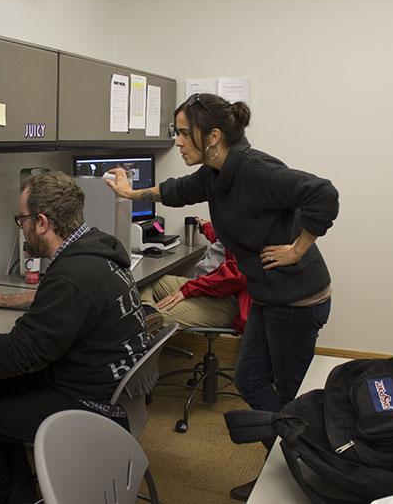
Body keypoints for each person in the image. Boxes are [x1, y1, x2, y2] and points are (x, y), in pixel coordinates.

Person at [106, 93, 339, 501]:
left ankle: (307, 472)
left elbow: (322, 194)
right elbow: (177, 190)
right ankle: (293, 462)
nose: (177, 142)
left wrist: (297, 248)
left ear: (212, 135)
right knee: (250, 380)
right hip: (269, 297)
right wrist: (132, 194)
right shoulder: (216, 172)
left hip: (297, 300)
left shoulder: (255, 170)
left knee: (286, 393)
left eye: (182, 134)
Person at [0, 171, 150, 504]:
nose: (22, 226)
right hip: (115, 390)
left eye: (22, 219)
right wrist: (3, 300)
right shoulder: (95, 249)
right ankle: (21, 494)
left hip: (92, 405)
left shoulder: (72, 275)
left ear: (41, 222)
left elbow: (18, 355)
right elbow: (67, 301)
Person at [140, 218, 251, 333]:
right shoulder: (235, 218)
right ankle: (149, 311)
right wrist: (207, 228)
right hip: (207, 287)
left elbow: (236, 275)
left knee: (153, 323)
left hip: (229, 299)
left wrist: (188, 290)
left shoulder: (253, 221)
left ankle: (147, 323)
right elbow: (227, 241)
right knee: (148, 282)